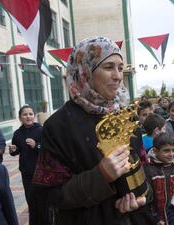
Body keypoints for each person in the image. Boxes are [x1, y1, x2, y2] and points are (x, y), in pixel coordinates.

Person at [29, 37, 154, 225]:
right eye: (109, 67)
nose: (118, 76)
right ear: (85, 71)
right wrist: (101, 175)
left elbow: (143, 169)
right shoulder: (59, 126)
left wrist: (142, 196)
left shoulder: (127, 116)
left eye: (120, 68)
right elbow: (51, 196)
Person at [144, 133, 174, 225]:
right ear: (155, 151)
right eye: (166, 151)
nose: (171, 154)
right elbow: (146, 200)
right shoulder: (148, 171)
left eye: (173, 150)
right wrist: (155, 218)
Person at [9, 105, 42, 212]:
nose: (28, 117)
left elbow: (49, 148)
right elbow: (17, 150)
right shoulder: (18, 133)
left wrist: (36, 145)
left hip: (41, 171)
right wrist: (13, 150)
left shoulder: (41, 130)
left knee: (43, 199)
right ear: (20, 118)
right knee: (30, 199)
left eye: (30, 114)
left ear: (34, 116)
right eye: (25, 114)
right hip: (26, 172)